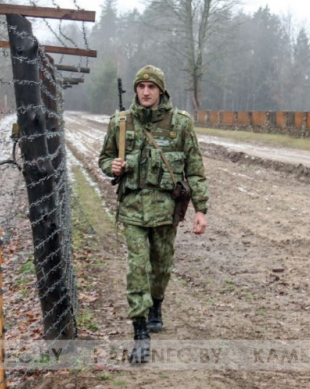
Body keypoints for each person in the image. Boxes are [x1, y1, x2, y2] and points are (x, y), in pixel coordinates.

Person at [99, 65, 209, 363]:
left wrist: (201, 209)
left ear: (161, 90)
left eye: (151, 86)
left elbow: (195, 169)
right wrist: (113, 167)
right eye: (141, 86)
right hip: (133, 209)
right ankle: (140, 333)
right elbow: (105, 157)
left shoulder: (181, 124)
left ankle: (156, 304)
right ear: (135, 90)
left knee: (161, 267)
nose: (145, 92)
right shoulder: (120, 122)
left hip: (165, 211)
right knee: (138, 268)